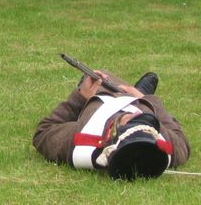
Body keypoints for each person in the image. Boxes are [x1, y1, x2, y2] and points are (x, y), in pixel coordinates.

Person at [33, 68, 190, 180]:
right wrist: (148, 100)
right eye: (145, 121)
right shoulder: (162, 147)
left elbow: (44, 131)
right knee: (131, 95)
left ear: (112, 133)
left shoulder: (82, 137)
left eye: (131, 120)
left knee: (99, 75)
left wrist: (80, 98)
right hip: (138, 100)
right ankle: (139, 91)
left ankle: (122, 88)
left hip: (101, 95)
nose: (136, 115)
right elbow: (179, 136)